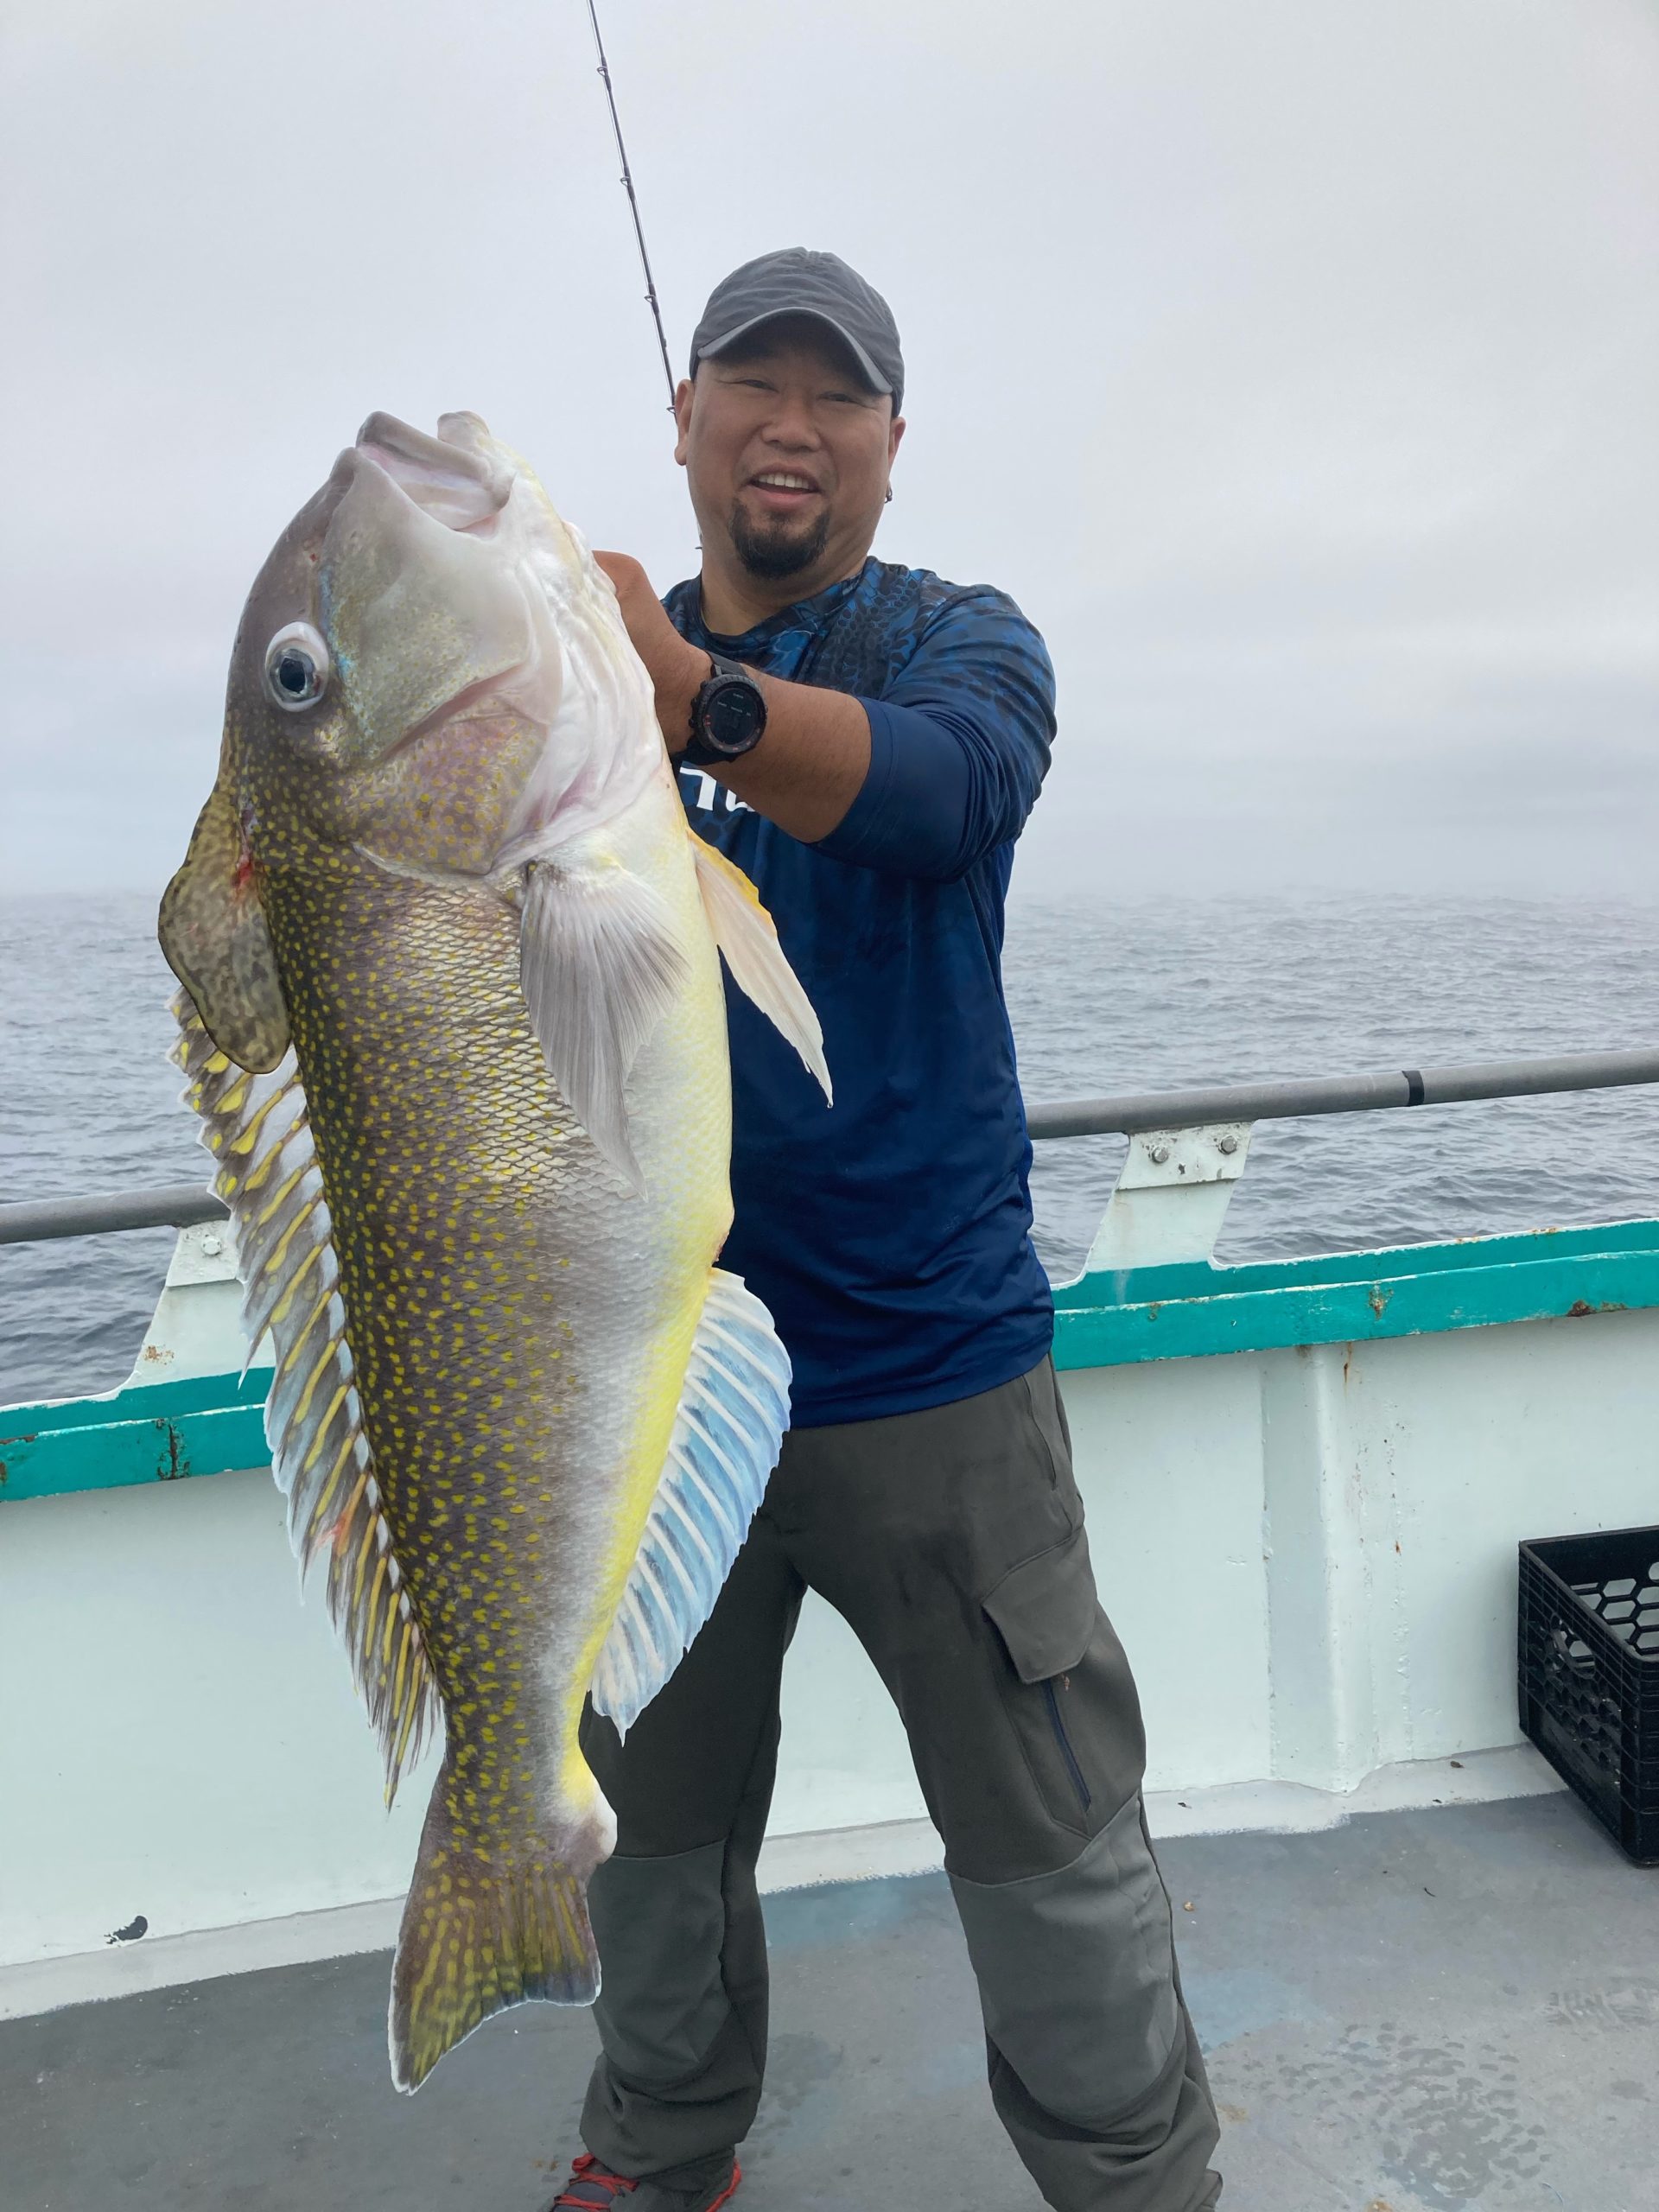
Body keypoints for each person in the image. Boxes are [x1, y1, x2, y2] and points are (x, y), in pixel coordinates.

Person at [551, 249, 1223, 2212]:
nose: (793, 424)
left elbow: (944, 795)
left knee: (1049, 1835)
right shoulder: (573, 689)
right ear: (684, 418)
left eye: (837, 393)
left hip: (929, 1367)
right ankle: (662, 2146)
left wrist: (693, 698)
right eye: (752, 384)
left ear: (893, 441)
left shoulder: (956, 639)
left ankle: (1136, 2181)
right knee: (648, 1834)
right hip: (650, 1372)